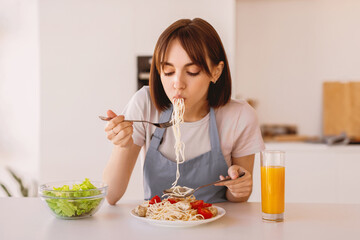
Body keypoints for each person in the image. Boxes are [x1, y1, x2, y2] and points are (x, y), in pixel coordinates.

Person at [103, 18, 265, 205]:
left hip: (217, 227)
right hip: (157, 227)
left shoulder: (240, 116)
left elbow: (240, 198)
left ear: (216, 72)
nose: (178, 84)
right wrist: (122, 145)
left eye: (193, 71)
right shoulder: (145, 105)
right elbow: (111, 194)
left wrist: (239, 186)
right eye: (168, 71)